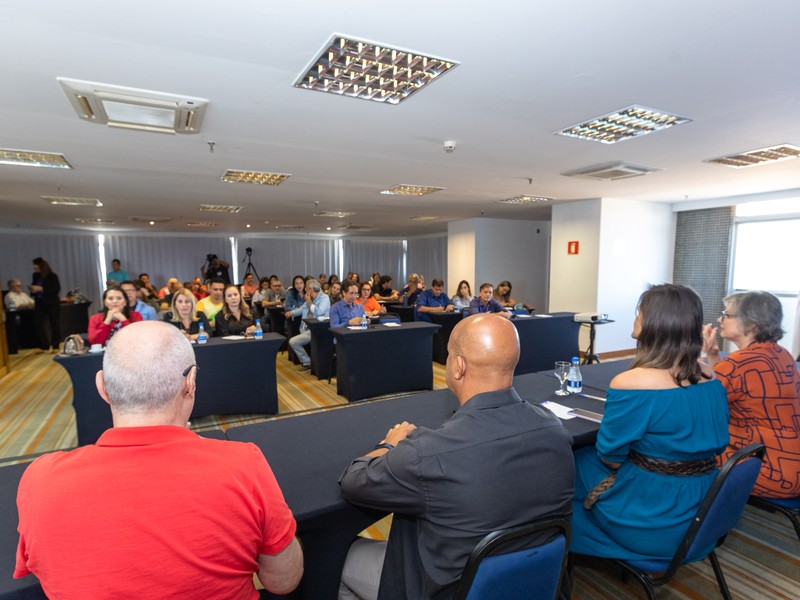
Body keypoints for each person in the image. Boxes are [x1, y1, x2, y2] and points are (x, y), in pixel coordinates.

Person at [14, 321, 303, 597]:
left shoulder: (40, 480)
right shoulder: (242, 465)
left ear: (102, 387)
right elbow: (283, 581)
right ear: (190, 382)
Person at [338, 314, 575, 600]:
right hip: (536, 585)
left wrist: (389, 445)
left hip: (446, 591)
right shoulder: (556, 431)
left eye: (449, 354)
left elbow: (353, 481)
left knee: (340, 561)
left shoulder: (429, 452)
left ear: (459, 366)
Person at [570, 284, 730, 562]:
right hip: (703, 511)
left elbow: (610, 458)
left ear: (655, 323)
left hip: (653, 515)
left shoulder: (631, 383)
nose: (635, 318)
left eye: (639, 313)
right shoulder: (709, 375)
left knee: (568, 463)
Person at [703, 291, 800, 498]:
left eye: (727, 315)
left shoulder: (738, 364)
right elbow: (725, 387)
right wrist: (713, 355)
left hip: (768, 470)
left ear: (751, 325)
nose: (720, 319)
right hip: (792, 464)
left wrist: (694, 357)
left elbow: (699, 404)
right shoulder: (782, 355)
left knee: (688, 448)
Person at [288, 279, 331, 369]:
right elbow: (301, 309)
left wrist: (309, 303)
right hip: (306, 328)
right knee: (293, 341)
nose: (305, 290)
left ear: (311, 289)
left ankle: (307, 362)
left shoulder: (324, 298)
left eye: (306, 288)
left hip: (318, 329)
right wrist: (291, 313)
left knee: (293, 341)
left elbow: (319, 311)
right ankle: (308, 362)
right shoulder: (310, 298)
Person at [30, 257, 61, 352]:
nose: (35, 269)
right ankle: (44, 345)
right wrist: (33, 290)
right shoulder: (35, 276)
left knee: (54, 324)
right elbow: (34, 287)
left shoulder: (52, 276)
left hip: (52, 303)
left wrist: (41, 289)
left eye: (36, 267)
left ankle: (55, 346)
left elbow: (56, 289)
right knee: (37, 323)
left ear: (41, 266)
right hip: (40, 302)